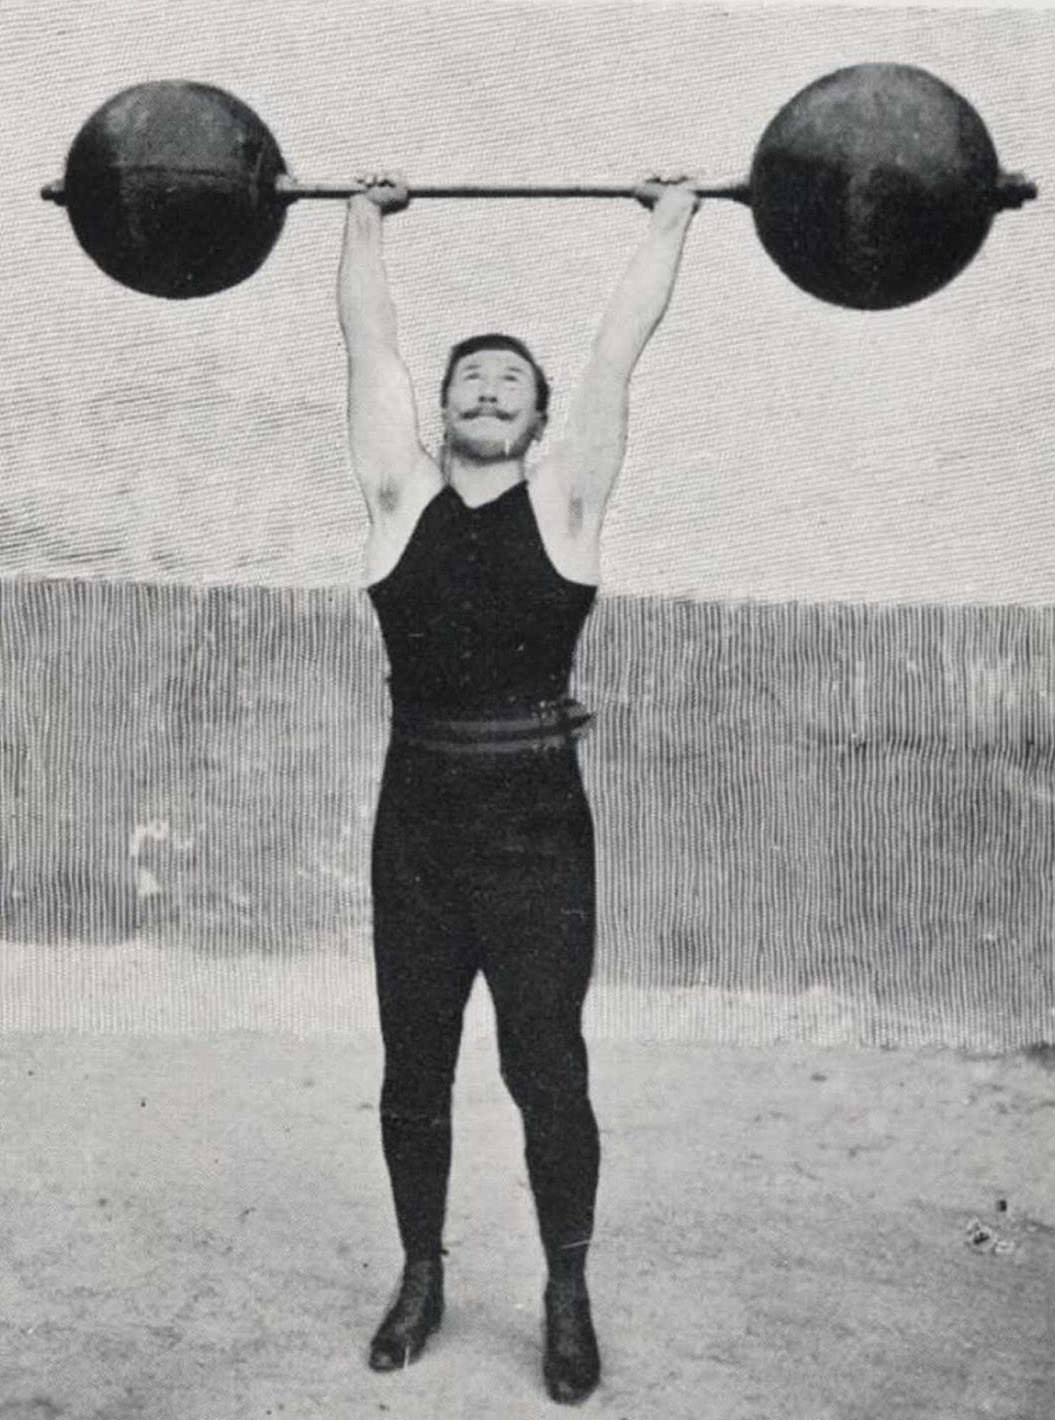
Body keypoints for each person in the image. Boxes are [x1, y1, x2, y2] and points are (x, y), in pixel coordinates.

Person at [338, 171, 699, 1405]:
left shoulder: (569, 503)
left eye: (511, 381)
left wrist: (668, 224)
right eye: (467, 379)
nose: (487, 387)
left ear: (540, 420)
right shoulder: (396, 504)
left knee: (546, 1069)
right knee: (411, 1070)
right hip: (419, 829)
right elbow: (365, 347)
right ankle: (421, 1273)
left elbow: (618, 352)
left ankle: (565, 1290)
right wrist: (358, 225)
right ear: (437, 415)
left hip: (538, 830)